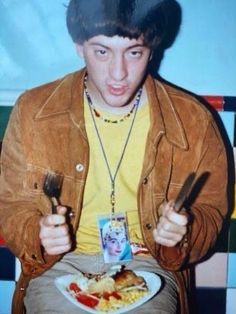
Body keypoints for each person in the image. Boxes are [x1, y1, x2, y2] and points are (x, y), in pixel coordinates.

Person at [0, 0, 229, 313]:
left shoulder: (195, 121)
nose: (119, 73)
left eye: (134, 52)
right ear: (79, 46)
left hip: (151, 267)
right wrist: (36, 234)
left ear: (152, 48)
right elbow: (10, 207)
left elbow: (212, 212)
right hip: (59, 266)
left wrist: (185, 231)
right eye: (102, 51)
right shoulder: (32, 110)